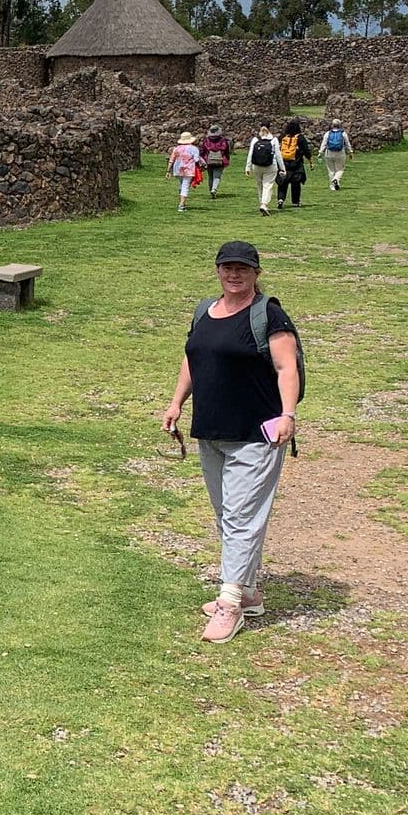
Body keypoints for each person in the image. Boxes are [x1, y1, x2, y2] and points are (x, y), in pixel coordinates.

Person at [162, 240, 301, 644]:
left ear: (257, 272)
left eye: (243, 268)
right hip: (212, 432)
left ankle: (229, 604)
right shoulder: (204, 312)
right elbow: (193, 358)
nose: (234, 274)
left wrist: (287, 415)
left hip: (256, 435)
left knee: (241, 518)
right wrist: (176, 403)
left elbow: (285, 366)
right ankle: (251, 593)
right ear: (218, 270)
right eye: (227, 267)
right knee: (229, 517)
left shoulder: (269, 315)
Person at [246, 124, 281, 216]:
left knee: (260, 185)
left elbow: (250, 154)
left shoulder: (255, 139)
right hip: (270, 165)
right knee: (267, 185)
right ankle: (264, 204)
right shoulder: (274, 140)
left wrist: (248, 167)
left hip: (256, 165)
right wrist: (282, 168)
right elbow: (278, 155)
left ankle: (262, 202)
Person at [168, 130, 202, 212]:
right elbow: (197, 159)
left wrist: (168, 171)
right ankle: (181, 205)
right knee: (185, 186)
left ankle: (182, 201)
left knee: (182, 184)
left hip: (177, 170)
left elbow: (171, 160)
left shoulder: (176, 149)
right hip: (188, 170)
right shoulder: (194, 149)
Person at [277, 119, 308, 208]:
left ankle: (280, 199)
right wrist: (310, 160)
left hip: (284, 163)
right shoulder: (300, 138)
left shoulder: (283, 137)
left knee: (283, 182)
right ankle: (295, 201)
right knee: (296, 183)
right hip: (296, 164)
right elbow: (306, 150)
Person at [200, 124, 232, 198]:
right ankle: (214, 189)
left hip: (208, 160)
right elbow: (226, 150)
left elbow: (203, 150)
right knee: (217, 176)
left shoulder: (206, 140)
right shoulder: (223, 140)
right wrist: (227, 159)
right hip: (220, 160)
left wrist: (201, 159)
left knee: (210, 176)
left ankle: (211, 189)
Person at [316, 120, 349, 190]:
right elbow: (347, 143)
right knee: (340, 169)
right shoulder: (343, 134)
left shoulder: (328, 133)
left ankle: (332, 186)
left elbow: (324, 144)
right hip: (340, 153)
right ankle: (336, 179)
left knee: (331, 170)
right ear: (340, 125)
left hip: (329, 153)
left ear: (332, 125)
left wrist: (320, 153)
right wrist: (350, 152)